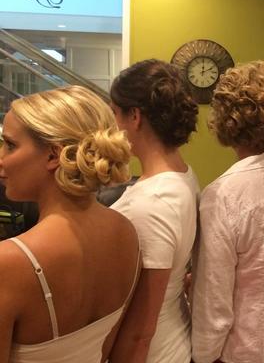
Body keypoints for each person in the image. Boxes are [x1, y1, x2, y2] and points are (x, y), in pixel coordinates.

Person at [0, 85, 139, 363]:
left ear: (54, 156)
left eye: (10, 145)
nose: (1, 157)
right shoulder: (125, 231)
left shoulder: (11, 263)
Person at [192, 61, 264, 363]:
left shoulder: (222, 195)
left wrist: (203, 356)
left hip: (243, 348)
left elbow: (214, 296)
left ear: (226, 118)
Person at [108, 59, 200, 363]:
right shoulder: (183, 173)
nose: (113, 125)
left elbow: (141, 330)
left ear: (134, 116)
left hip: (156, 352)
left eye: (115, 113)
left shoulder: (154, 202)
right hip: (173, 335)